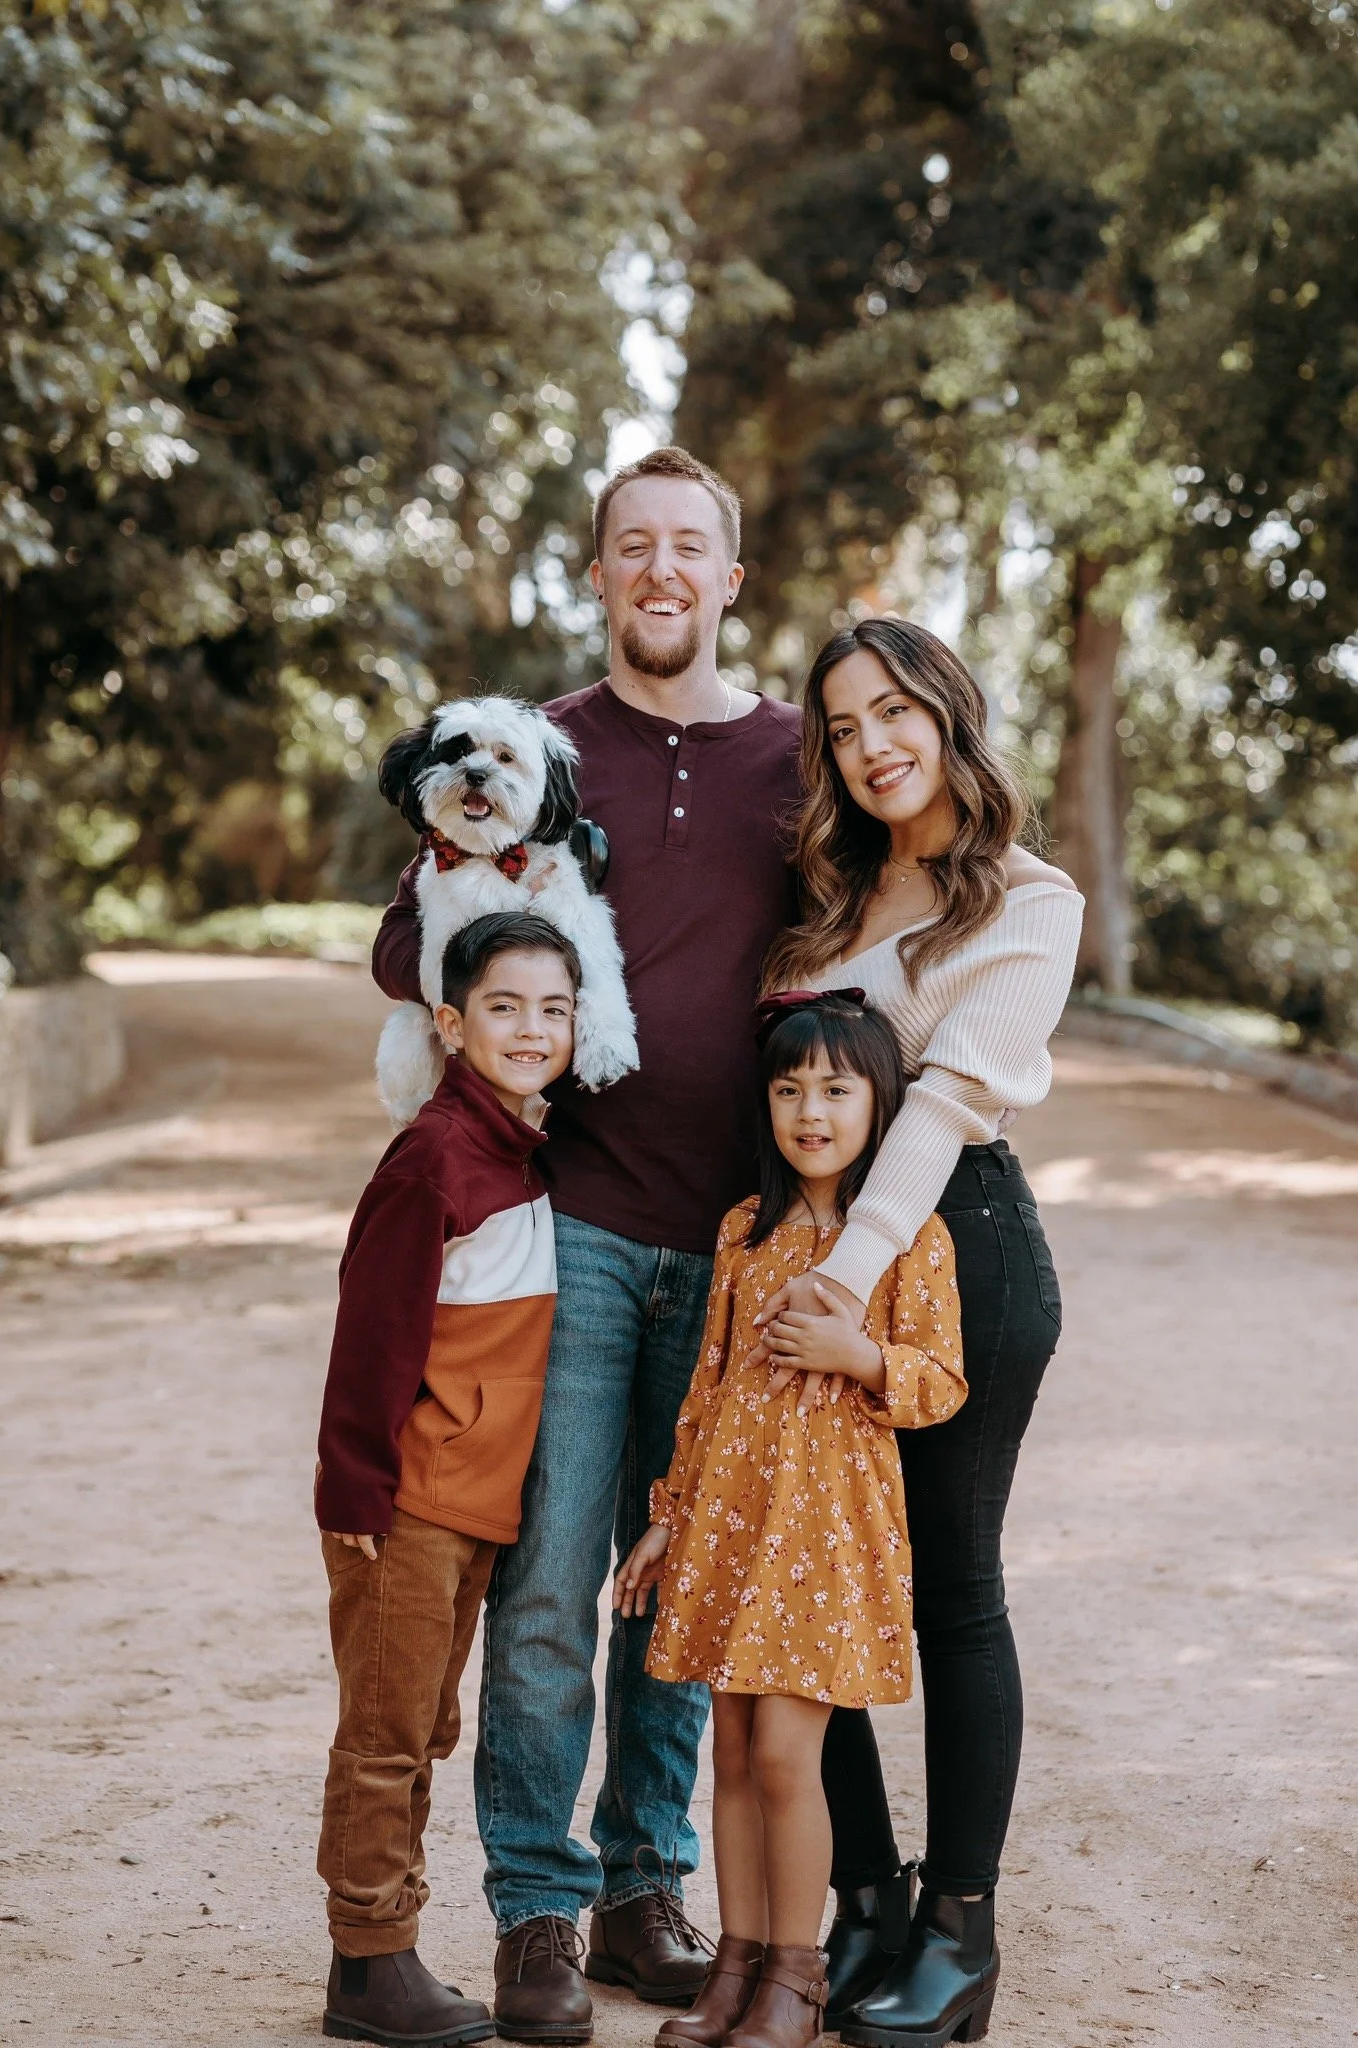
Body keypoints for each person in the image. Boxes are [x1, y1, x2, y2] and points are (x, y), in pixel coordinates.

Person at [371, 447, 803, 2041]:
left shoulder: (791, 756)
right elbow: (402, 942)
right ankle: (539, 1914)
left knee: (678, 1589)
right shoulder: (528, 750)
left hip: (738, 1236)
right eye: (635, 546)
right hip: (577, 1228)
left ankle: (644, 1886)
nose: (662, 571)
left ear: (729, 578)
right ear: (603, 571)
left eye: (691, 547)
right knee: (552, 1585)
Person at [755, 618, 1083, 2048]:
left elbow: (945, 1106)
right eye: (842, 724)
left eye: (896, 710)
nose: (873, 742)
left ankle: (959, 1935)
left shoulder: (1025, 896)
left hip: (955, 1254)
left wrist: (846, 1277)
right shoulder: (826, 897)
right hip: (806, 1257)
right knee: (807, 1585)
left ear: (951, 714)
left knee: (950, 1592)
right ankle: (867, 1901)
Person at [612, 993, 966, 2048]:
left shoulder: (907, 1236)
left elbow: (939, 1381)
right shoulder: (742, 1231)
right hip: (729, 1518)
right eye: (789, 1087)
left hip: (825, 1528)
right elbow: (706, 1384)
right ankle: (737, 1962)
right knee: (725, 1754)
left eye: (836, 1088)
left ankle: (797, 1980)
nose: (811, 1109)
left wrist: (861, 1356)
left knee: (782, 1758)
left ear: (881, 1102)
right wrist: (670, 1515)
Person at [314, 912, 580, 2048]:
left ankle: (386, 1948)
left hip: (473, 1499)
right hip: (410, 1501)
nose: (531, 1028)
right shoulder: (435, 1155)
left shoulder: (522, 1148)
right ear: (450, 1019)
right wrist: (354, 1490)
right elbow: (371, 1333)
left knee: (422, 1724)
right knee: (384, 1729)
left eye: (554, 1008)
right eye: (506, 1006)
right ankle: (368, 1965)